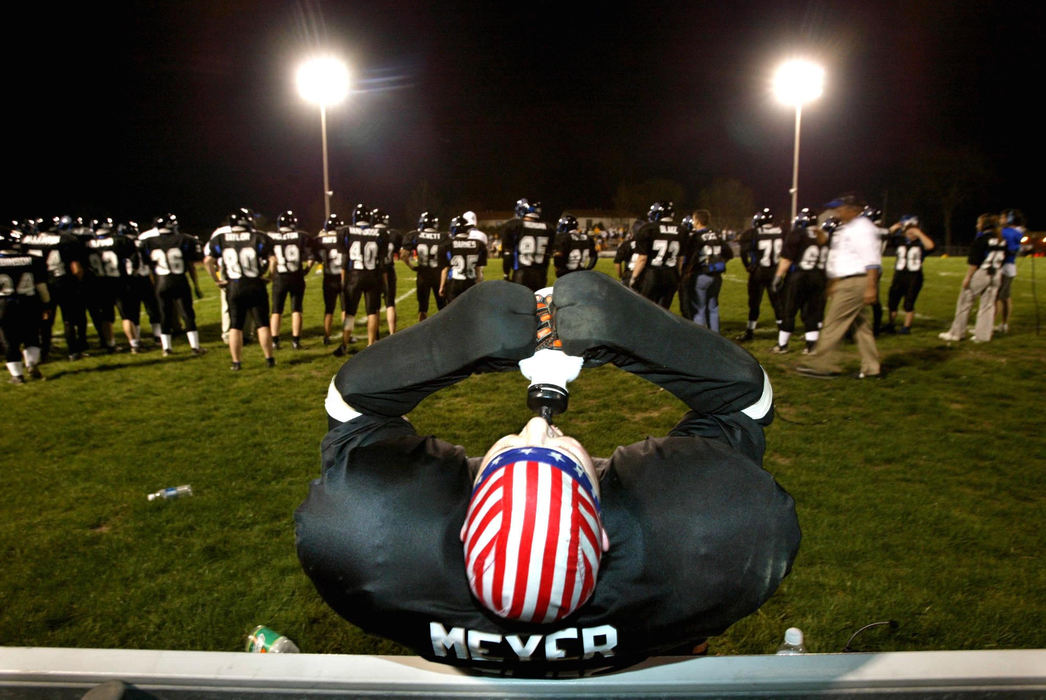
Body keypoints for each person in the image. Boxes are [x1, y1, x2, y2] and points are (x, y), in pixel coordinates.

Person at [296, 271, 798, 675]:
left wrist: (465, 334)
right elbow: (744, 405)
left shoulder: (370, 552)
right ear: (604, 537)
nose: (539, 429)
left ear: (465, 524)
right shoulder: (711, 545)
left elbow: (350, 409)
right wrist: (624, 328)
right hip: (639, 656)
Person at [796, 195, 882, 379]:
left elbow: (872, 260)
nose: (837, 211)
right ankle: (872, 368)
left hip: (855, 282)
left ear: (852, 209)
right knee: (861, 328)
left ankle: (822, 365)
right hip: (849, 281)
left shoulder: (862, 228)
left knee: (833, 324)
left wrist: (871, 287)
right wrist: (835, 282)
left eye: (841, 208)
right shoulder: (849, 227)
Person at [204, 209, 276, 369]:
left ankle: (236, 362)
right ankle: (269, 359)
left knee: (235, 326)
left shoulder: (220, 238)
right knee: (262, 324)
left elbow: (208, 261)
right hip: (255, 284)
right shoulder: (258, 237)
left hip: (234, 285)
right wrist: (270, 277)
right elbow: (273, 260)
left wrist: (217, 280)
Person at [20, 216, 90, 360]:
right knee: (68, 318)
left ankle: (44, 351)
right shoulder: (65, 240)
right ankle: (73, 351)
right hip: (62, 282)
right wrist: (79, 282)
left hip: (41, 284)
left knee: (45, 319)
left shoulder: (27, 241)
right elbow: (76, 268)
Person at [139, 213, 206, 357]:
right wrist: (196, 286)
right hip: (179, 280)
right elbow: (191, 263)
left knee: (164, 315)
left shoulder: (148, 242)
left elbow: (148, 265)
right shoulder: (185, 239)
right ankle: (195, 346)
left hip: (161, 281)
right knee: (187, 314)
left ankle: (167, 348)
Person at [938, 214, 1007, 344]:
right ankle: (983, 336)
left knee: (964, 303)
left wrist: (968, 278)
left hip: (982, 273)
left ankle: (956, 333)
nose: (977, 225)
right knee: (988, 306)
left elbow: (974, 263)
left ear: (985, 225)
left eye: (979, 223)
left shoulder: (981, 240)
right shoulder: (1001, 240)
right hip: (997, 274)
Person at [770, 208, 826, 354]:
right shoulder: (823, 235)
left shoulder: (797, 234)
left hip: (799, 277)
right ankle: (811, 346)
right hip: (818, 277)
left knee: (789, 311)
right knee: (812, 312)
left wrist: (778, 276)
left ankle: (782, 345)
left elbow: (787, 258)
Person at [334, 203, 389, 353]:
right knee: (372, 312)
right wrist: (385, 283)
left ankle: (344, 344)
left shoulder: (346, 231)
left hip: (354, 276)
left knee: (350, 313)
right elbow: (382, 262)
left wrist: (343, 281)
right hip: (372, 275)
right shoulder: (380, 233)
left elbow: (345, 261)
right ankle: (371, 345)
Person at [0, 229, 49, 383]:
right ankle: (32, 363)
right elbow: (41, 286)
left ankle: (17, 375)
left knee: (9, 340)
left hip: (4, 304)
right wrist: (46, 303)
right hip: (29, 302)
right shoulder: (33, 259)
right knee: (31, 335)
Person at [736, 208, 784, 342]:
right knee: (777, 303)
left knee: (754, 303)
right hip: (775, 271)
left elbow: (743, 252)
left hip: (759, 272)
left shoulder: (752, 233)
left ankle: (750, 332)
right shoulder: (781, 232)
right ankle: (782, 332)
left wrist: (747, 266)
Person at [882, 215, 935, 335]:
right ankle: (891, 324)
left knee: (909, 303)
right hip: (899, 275)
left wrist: (919, 234)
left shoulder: (921, 243)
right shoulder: (899, 240)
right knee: (892, 302)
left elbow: (931, 246)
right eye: (908, 230)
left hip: (914, 277)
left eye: (913, 230)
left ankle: (906, 327)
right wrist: (893, 228)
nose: (910, 233)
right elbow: (883, 238)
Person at [268, 210, 313, 350]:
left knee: (276, 310)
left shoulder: (271, 237)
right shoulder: (301, 236)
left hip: (279, 277)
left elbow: (269, 258)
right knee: (296, 309)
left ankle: (275, 341)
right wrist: (306, 270)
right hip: (296, 277)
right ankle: (295, 341)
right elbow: (311, 258)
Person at [681, 209, 732, 332]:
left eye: (694, 219)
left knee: (699, 309)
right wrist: (719, 263)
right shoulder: (716, 234)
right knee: (713, 308)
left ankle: (700, 339)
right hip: (716, 276)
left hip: (701, 275)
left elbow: (690, 257)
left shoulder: (696, 237)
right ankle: (716, 337)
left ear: (697, 221)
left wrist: (686, 273)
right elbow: (729, 253)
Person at [629, 201, 683, 309]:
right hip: (671, 274)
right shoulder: (682, 230)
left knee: (646, 310)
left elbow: (642, 258)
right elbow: (680, 259)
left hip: (653, 275)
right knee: (664, 311)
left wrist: (634, 277)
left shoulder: (648, 229)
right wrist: (678, 275)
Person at [403, 212, 448, 322]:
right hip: (439, 275)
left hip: (423, 275)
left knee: (422, 308)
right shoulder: (444, 236)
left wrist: (412, 267)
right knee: (443, 307)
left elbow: (404, 255)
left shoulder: (414, 235)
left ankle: (422, 332)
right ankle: (445, 329)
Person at [500, 198, 553, 291]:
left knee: (521, 303)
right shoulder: (549, 228)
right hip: (540, 274)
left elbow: (508, 254)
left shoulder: (514, 225)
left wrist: (506, 274)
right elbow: (548, 255)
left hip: (521, 273)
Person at [313, 214, 348, 346]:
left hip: (328, 279)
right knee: (346, 310)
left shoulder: (320, 240)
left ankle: (326, 336)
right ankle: (346, 335)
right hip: (343, 277)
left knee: (329, 309)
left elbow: (317, 256)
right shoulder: (343, 238)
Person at [439, 215, 487, 303]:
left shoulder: (448, 245)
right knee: (471, 311)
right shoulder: (479, 244)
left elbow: (445, 269)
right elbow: (478, 270)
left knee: (454, 312)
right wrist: (480, 285)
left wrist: (442, 286)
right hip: (471, 282)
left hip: (455, 283)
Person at [373, 208, 402, 336]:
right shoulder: (394, 234)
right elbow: (398, 252)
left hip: (374, 271)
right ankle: (392, 333)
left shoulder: (369, 233)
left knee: (375, 305)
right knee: (390, 303)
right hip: (389, 269)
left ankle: (376, 333)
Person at [995, 209, 1024, 334]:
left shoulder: (1007, 232)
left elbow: (1010, 249)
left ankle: (990, 324)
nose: (1000, 220)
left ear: (1009, 219)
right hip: (1009, 267)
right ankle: (1003, 324)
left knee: (997, 297)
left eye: (1002, 217)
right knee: (1005, 297)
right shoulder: (1017, 232)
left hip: (1004, 266)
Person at [551, 213, 597, 278]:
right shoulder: (587, 238)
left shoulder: (563, 237)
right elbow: (594, 256)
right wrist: (588, 268)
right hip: (582, 273)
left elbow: (558, 256)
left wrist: (558, 271)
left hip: (567, 274)